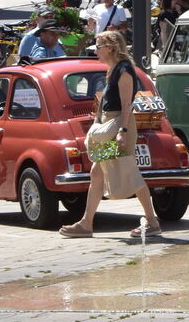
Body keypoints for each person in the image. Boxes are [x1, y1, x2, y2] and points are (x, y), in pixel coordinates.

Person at [60, 31, 162, 238]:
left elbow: (126, 105)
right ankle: (86, 223)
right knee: (97, 173)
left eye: (98, 47)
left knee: (130, 172)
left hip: (119, 127)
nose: (95, 51)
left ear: (111, 47)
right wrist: (99, 121)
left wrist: (122, 132)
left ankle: (152, 222)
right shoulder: (113, 69)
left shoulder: (124, 70)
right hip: (111, 126)